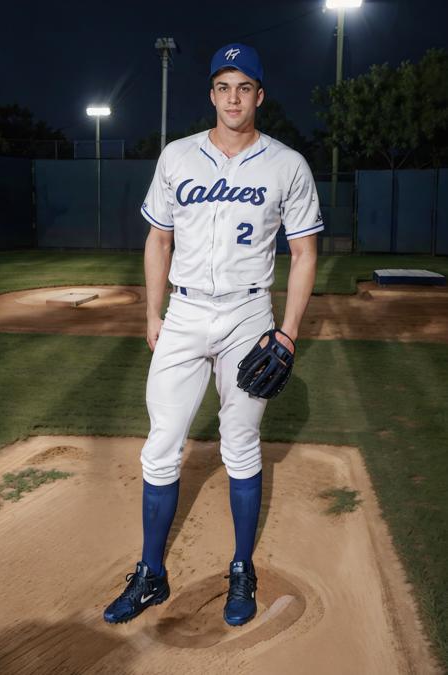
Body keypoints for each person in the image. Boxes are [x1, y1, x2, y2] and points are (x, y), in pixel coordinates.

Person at [103, 42, 324, 627]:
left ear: (259, 96)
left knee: (241, 445)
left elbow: (303, 253)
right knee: (161, 446)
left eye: (244, 87)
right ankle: (152, 574)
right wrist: (152, 315)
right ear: (211, 95)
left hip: (250, 316)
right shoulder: (177, 157)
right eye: (223, 86)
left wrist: (289, 333)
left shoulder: (287, 164)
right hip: (183, 312)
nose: (233, 97)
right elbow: (158, 239)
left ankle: (240, 568)